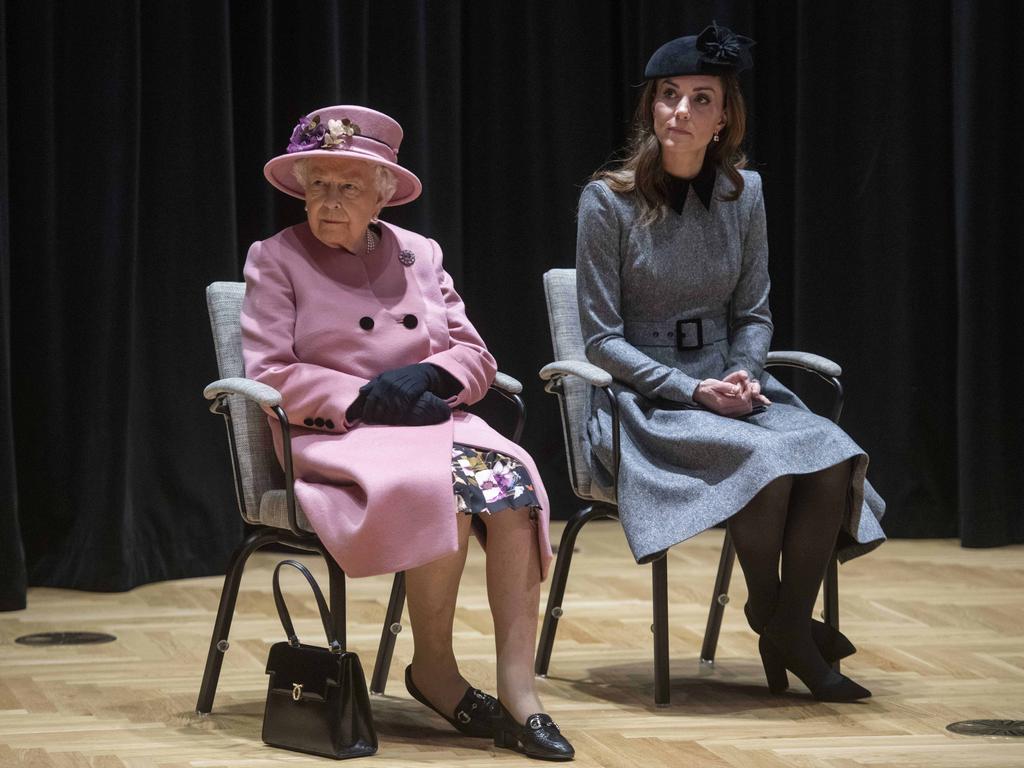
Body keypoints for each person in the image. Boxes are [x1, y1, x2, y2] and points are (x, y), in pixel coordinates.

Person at [241, 105, 573, 760]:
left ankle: (519, 690)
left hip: (433, 423)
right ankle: (437, 671)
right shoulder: (275, 258)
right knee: (444, 486)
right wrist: (363, 398)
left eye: (347, 187)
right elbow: (270, 372)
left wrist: (427, 375)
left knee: (513, 492)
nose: (329, 202)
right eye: (318, 186)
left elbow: (478, 357)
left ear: (382, 195)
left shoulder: (421, 255)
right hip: (334, 437)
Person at [576, 24, 886, 702]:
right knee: (766, 466)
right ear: (650, 109)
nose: (679, 112)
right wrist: (694, 390)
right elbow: (600, 340)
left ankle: (779, 620)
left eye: (699, 98)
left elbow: (753, 311)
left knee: (830, 453)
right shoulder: (609, 201)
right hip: (648, 398)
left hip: (732, 381)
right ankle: (785, 625)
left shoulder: (745, 194)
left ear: (723, 118)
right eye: (667, 96)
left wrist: (744, 373)